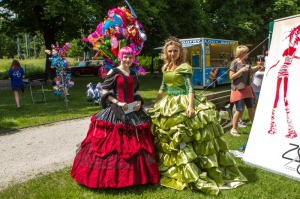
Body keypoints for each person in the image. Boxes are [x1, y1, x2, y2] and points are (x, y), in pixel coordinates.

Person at [147, 37, 247, 195]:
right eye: (170, 51)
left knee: (188, 135)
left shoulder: (185, 66)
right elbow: (163, 87)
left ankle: (195, 167)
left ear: (180, 52)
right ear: (166, 52)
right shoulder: (166, 66)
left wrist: (190, 106)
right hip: (169, 103)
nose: (172, 53)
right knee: (169, 136)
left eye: (175, 51)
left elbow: (190, 88)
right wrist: (155, 103)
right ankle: (175, 167)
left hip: (183, 101)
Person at [71, 46, 160, 188]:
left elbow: (136, 91)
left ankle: (139, 177)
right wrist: (117, 102)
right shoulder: (114, 72)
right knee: (113, 145)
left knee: (137, 142)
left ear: (133, 58)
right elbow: (105, 89)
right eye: (125, 57)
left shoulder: (133, 73)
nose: (127, 59)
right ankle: (113, 178)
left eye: (130, 57)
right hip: (117, 108)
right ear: (120, 57)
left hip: (133, 109)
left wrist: (138, 102)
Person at [229, 45, 264, 136]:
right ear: (240, 54)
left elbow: (251, 70)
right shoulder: (234, 63)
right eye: (246, 52)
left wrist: (257, 67)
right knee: (240, 109)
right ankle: (234, 129)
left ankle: (254, 127)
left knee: (251, 108)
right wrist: (241, 71)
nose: (248, 53)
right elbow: (231, 77)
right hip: (238, 89)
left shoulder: (247, 61)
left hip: (247, 88)